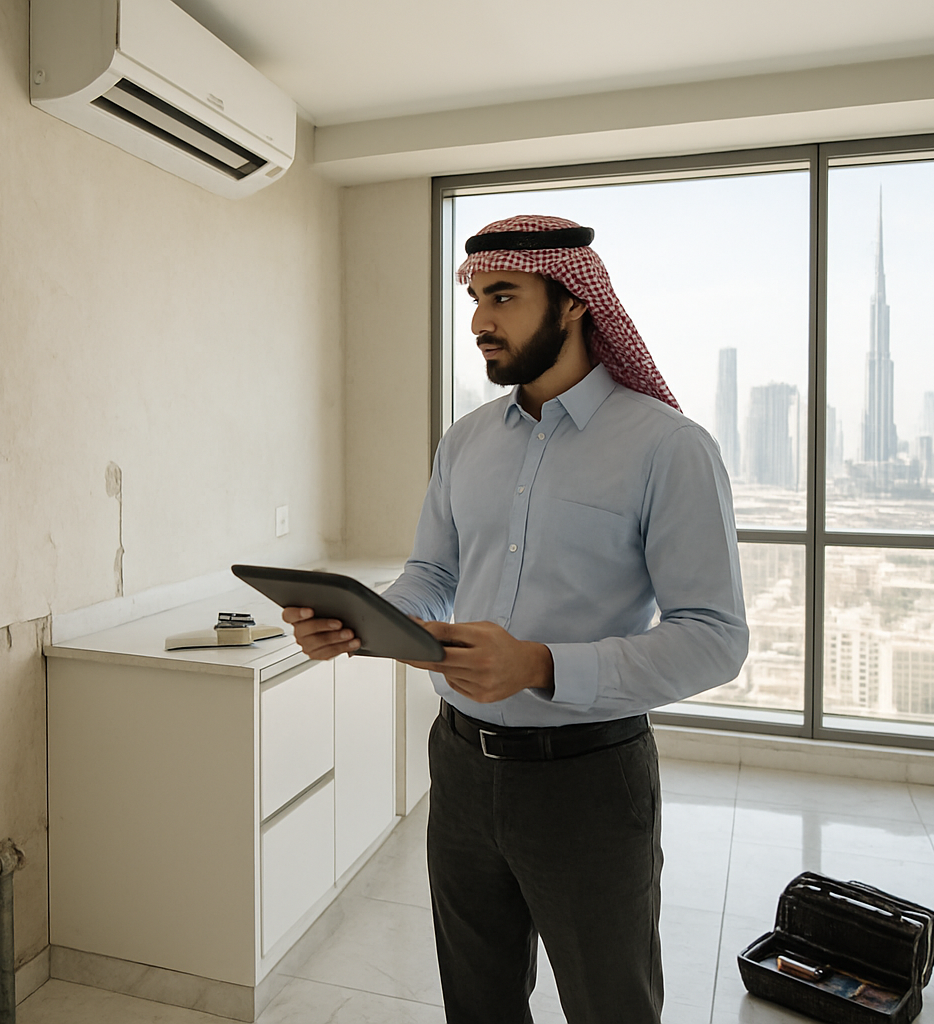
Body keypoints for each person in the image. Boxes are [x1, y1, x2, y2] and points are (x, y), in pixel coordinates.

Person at [284, 214, 747, 1024]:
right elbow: (432, 574)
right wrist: (368, 624)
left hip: (589, 781)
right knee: (479, 1001)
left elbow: (715, 636)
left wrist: (538, 666)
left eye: (503, 295)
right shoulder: (465, 443)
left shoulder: (668, 447)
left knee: (611, 1005)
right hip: (460, 767)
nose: (479, 322)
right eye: (474, 298)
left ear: (573, 304)